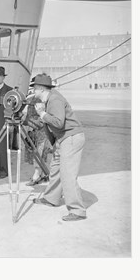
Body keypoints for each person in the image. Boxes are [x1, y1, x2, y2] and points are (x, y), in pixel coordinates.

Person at [30, 73, 87, 222]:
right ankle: (51, 198)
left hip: (71, 138)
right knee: (55, 168)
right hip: (63, 139)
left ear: (41, 89)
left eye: (34, 89)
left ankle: (78, 211)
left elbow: (58, 123)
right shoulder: (49, 99)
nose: (33, 92)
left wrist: (42, 114)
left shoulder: (54, 100)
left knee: (67, 174)